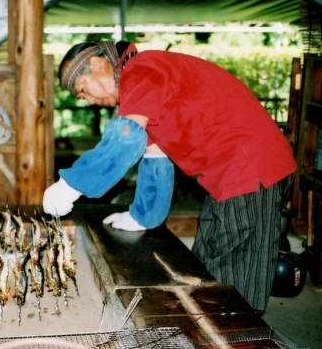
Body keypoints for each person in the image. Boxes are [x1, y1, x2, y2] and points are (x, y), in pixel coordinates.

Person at [42, 40, 296, 312]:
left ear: (96, 64)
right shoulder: (139, 89)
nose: (90, 101)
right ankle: (214, 336)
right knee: (204, 263)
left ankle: (238, 345)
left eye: (83, 91)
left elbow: (124, 142)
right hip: (228, 175)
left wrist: (70, 185)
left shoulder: (142, 69)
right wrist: (142, 215)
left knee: (234, 280)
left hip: (251, 168)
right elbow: (155, 160)